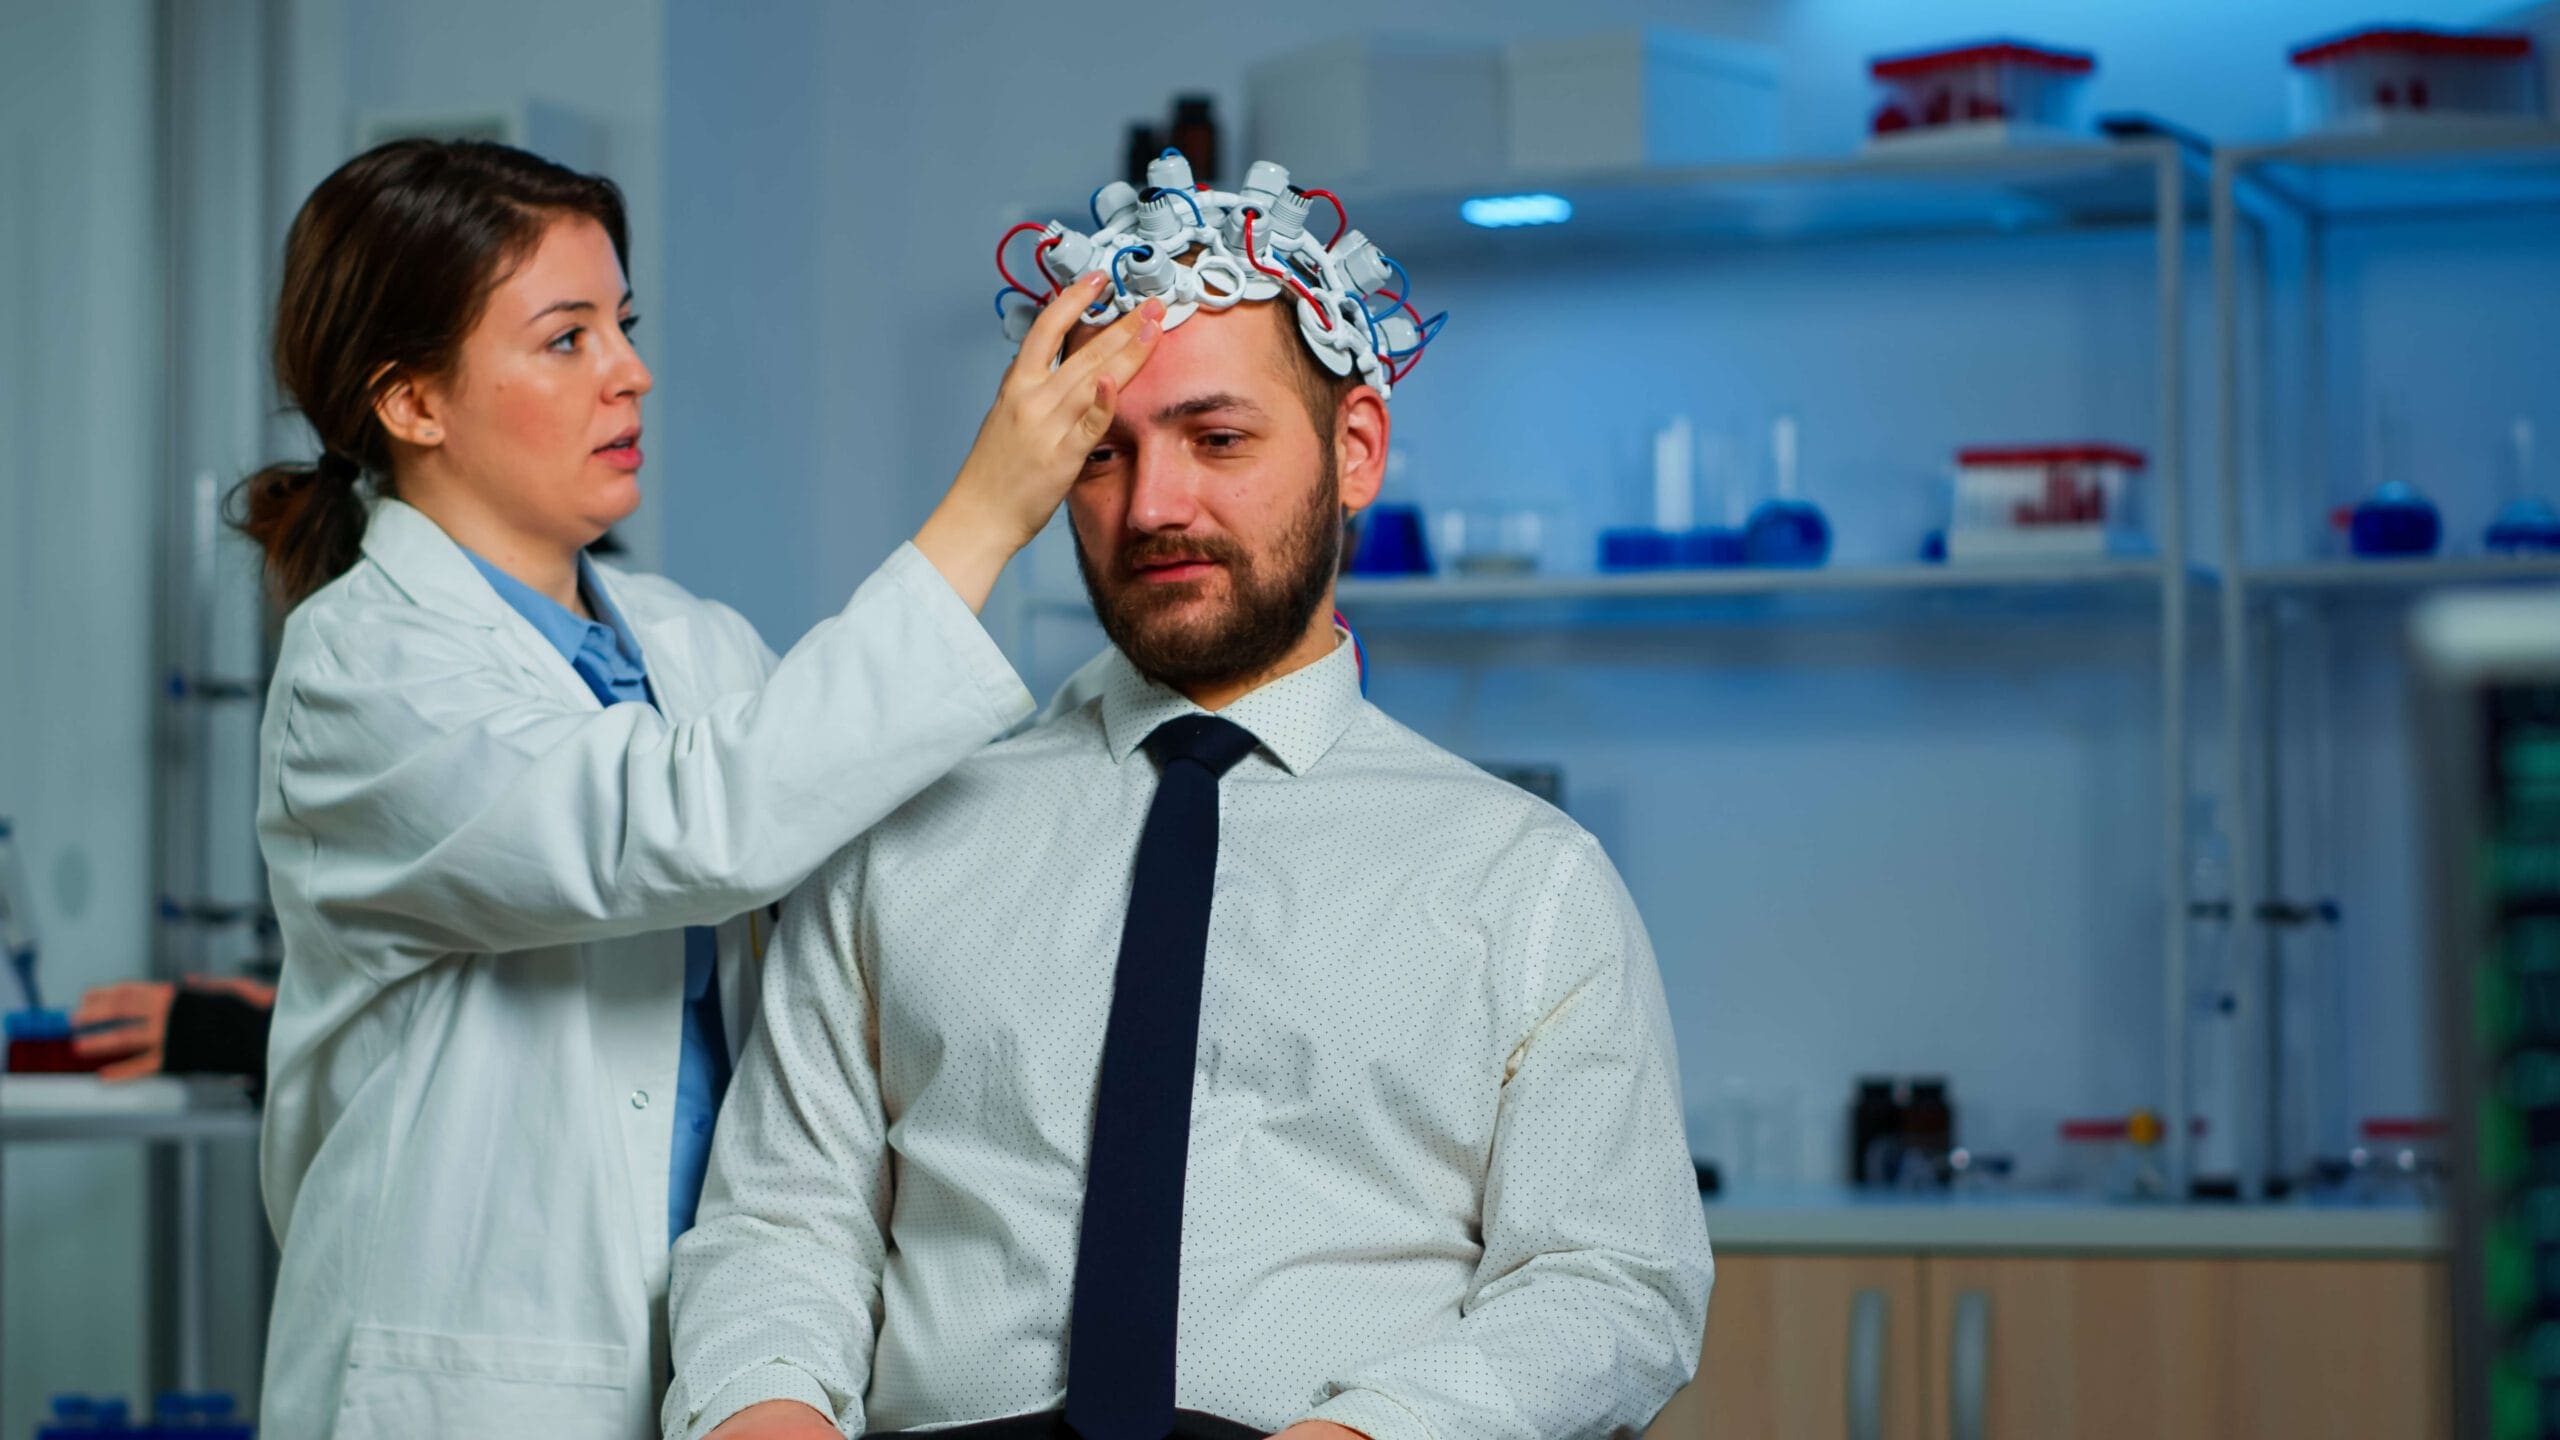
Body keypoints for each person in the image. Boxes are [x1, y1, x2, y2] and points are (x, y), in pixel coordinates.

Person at [665, 279, 1712, 1440]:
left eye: (1217, 440)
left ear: (1354, 449)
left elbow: (1610, 1283)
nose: (1154, 504)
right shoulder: (899, 839)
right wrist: (765, 1414)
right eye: (1102, 455)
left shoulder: (1521, 877)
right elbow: (779, 1227)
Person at [242, 139, 1161, 1440]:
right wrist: (987, 516)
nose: (632, 371)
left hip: (736, 1354)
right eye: (566, 339)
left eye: (622, 324)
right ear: (412, 402)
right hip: (477, 1383)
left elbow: (874, 857)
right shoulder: (362, 672)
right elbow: (687, 825)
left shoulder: (692, 646)